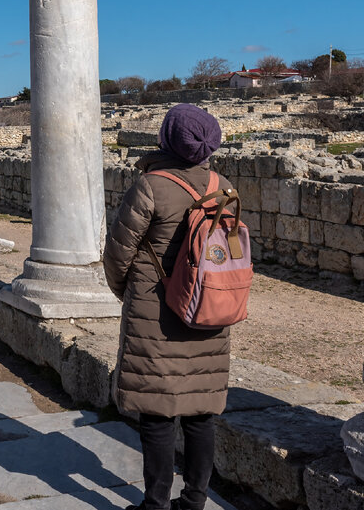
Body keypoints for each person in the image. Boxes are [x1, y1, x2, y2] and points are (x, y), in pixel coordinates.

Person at [103, 104, 232, 510]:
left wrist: (130, 293)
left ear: (168, 139)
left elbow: (117, 254)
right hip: (209, 308)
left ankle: (155, 503)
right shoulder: (224, 186)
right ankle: (194, 501)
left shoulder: (150, 186)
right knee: (200, 412)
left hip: (156, 310)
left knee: (157, 413)